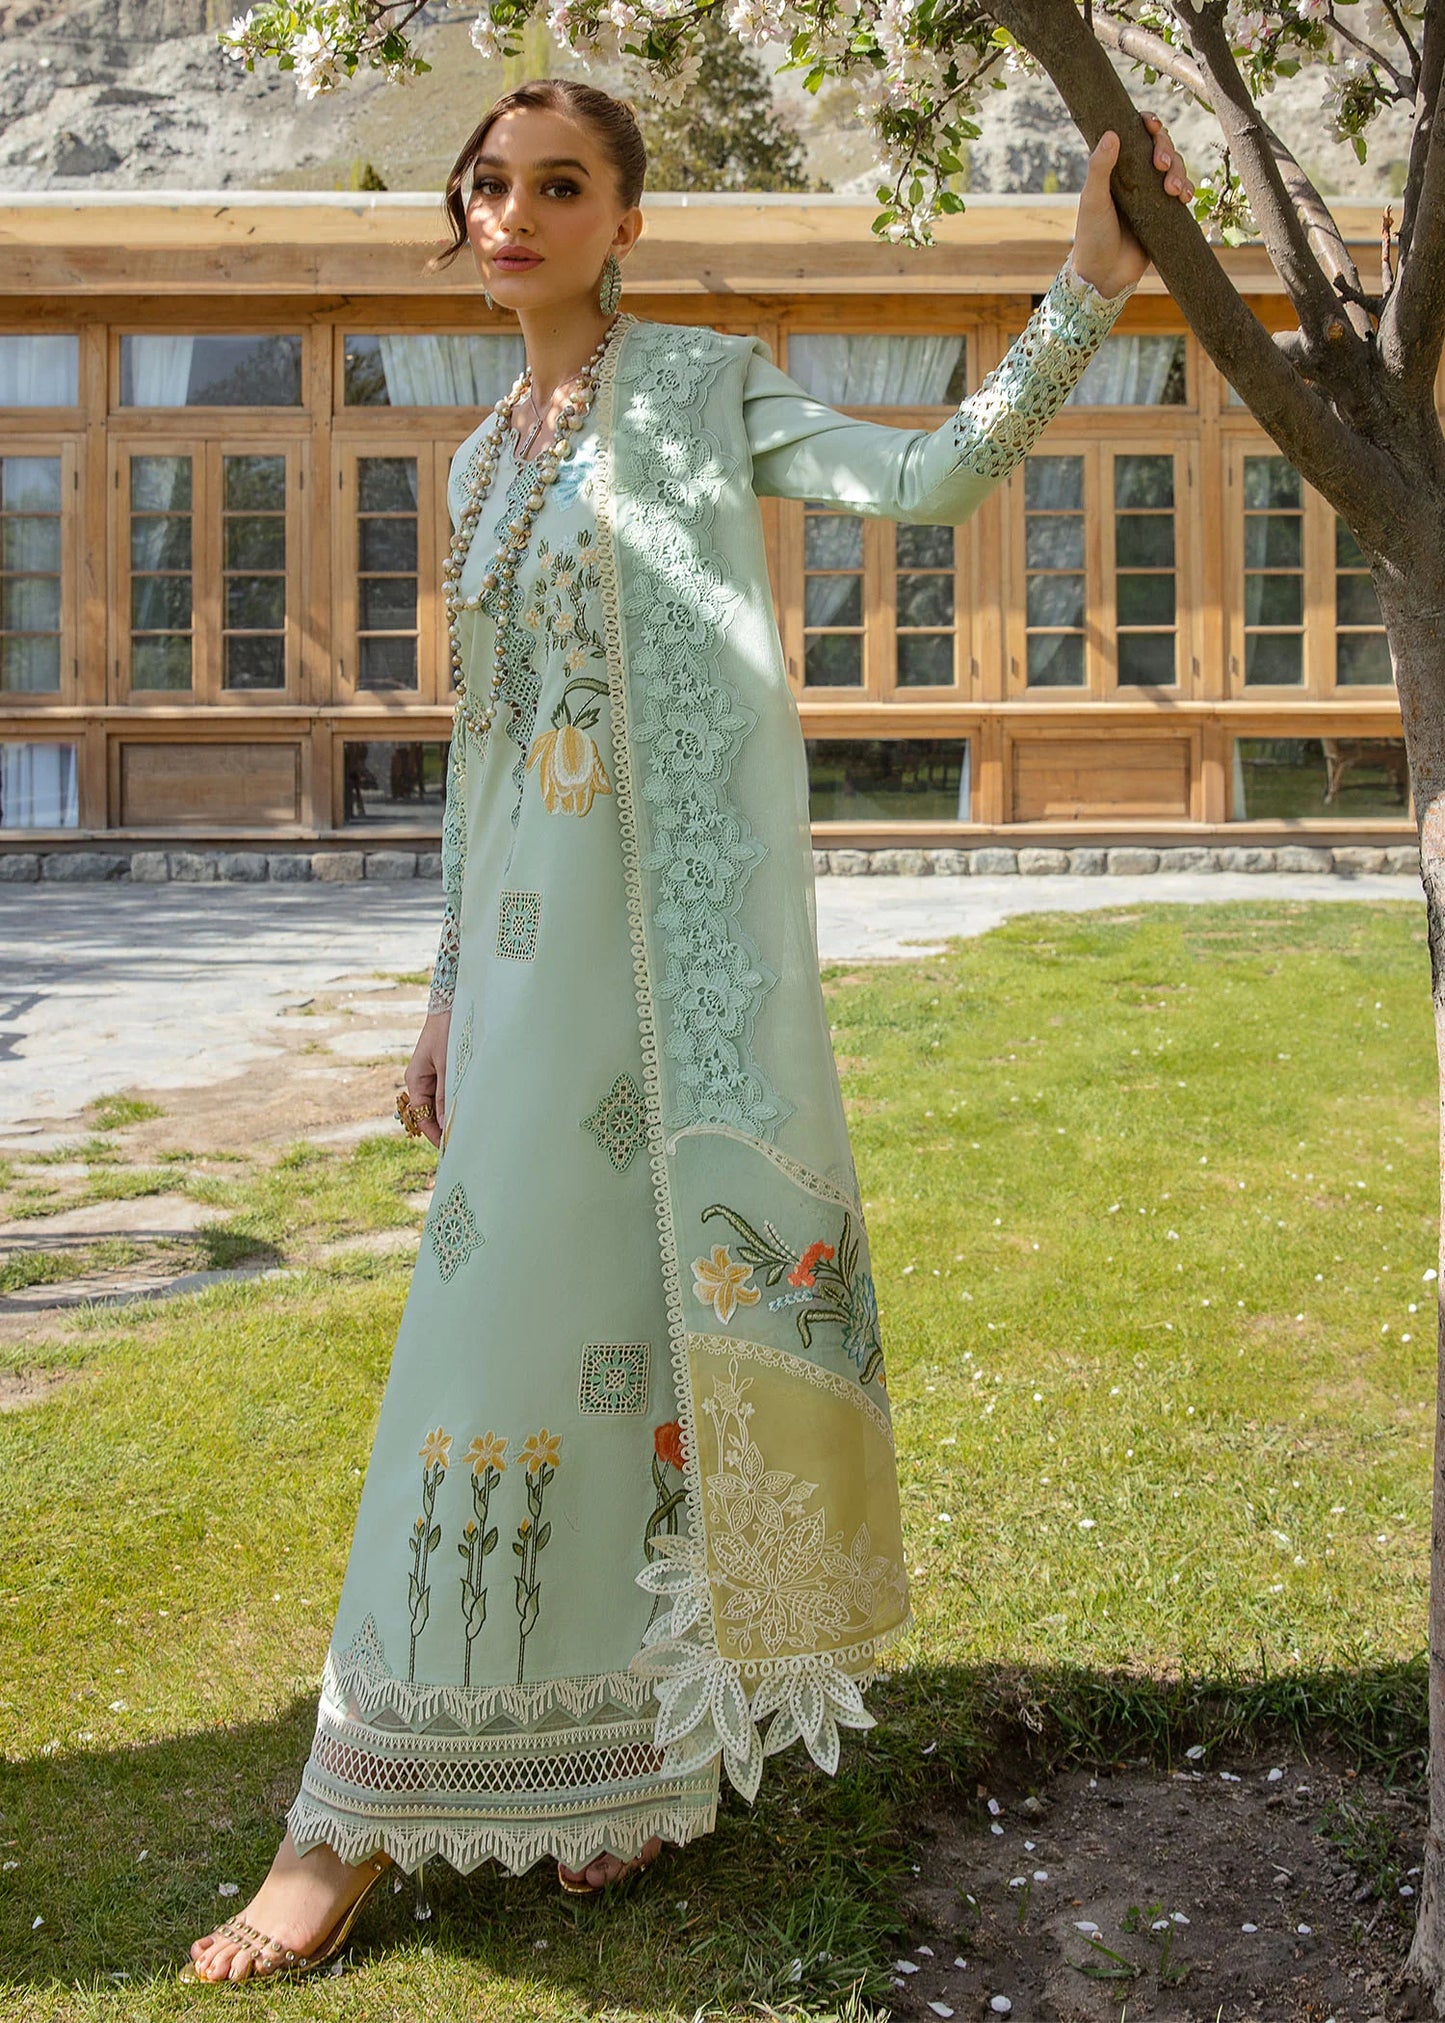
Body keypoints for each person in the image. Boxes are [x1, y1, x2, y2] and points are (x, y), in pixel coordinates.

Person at [183, 78, 1192, 1986]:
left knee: (643, 1336)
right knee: (492, 1330)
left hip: (675, 964)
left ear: (625, 221)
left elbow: (929, 482)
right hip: (526, 963)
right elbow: (485, 754)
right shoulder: (478, 467)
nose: (513, 214)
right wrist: (443, 995)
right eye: (489, 185)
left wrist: (1085, 292)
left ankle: (626, 1759)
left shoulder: (700, 390)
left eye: (558, 186)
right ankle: (359, 1803)